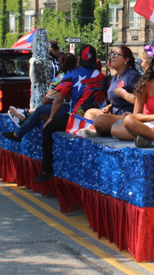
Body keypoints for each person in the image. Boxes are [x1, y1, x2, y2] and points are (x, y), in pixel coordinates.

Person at [35, 45, 106, 183]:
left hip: (76, 118)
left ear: (80, 59)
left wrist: (51, 118)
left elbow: (59, 99)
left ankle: (46, 170)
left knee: (47, 130)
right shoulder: (102, 76)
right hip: (97, 118)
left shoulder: (72, 74)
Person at [3, 54, 78, 142]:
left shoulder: (61, 78)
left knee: (40, 110)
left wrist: (45, 109)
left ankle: (19, 131)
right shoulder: (79, 75)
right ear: (76, 63)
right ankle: (25, 113)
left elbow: (48, 99)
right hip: (79, 107)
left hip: (72, 110)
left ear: (61, 62)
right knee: (44, 110)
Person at [80, 46, 141, 137]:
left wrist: (123, 93)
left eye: (117, 54)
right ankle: (95, 131)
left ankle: (101, 130)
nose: (112, 57)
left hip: (127, 115)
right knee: (90, 112)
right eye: (112, 54)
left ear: (126, 60)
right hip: (114, 113)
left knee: (100, 120)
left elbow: (138, 100)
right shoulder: (115, 77)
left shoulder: (133, 76)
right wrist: (110, 106)